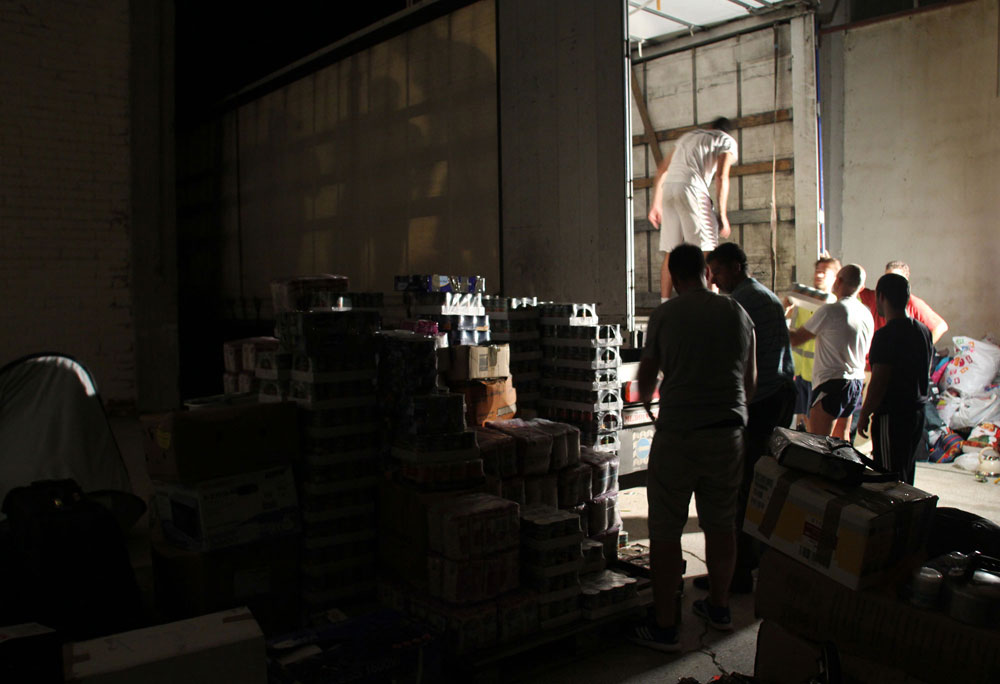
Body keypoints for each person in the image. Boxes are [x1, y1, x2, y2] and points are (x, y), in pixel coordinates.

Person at [630, 244, 756, 652]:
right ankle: (719, 607)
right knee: (721, 524)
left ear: (674, 274)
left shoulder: (666, 314)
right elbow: (750, 383)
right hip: (727, 435)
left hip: (679, 434)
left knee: (666, 529)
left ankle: (666, 626)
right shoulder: (738, 312)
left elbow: (645, 379)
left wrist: (650, 406)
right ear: (706, 271)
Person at [705, 242, 795, 594]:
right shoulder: (764, 295)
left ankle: (738, 572)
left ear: (736, 267)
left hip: (762, 401)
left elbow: (733, 358)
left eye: (718, 272)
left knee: (742, 485)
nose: (714, 280)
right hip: (778, 394)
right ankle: (755, 559)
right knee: (761, 481)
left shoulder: (742, 302)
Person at [647, 118, 738, 300]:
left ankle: (665, 304)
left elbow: (662, 170)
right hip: (693, 190)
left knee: (671, 252)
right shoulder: (726, 140)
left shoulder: (688, 137)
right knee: (708, 251)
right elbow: (721, 176)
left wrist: (655, 203)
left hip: (669, 190)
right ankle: (711, 305)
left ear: (710, 128)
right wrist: (722, 215)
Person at [857, 274, 933, 485]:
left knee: (889, 477)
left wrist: (864, 414)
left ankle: (896, 508)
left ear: (881, 297)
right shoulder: (923, 331)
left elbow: (879, 382)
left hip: (893, 416)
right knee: (905, 473)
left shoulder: (886, 335)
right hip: (917, 413)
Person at [788, 264, 873, 439]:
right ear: (861, 287)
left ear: (838, 281)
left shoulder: (831, 311)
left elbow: (795, 339)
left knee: (818, 442)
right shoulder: (865, 313)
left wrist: (781, 312)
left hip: (832, 383)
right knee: (841, 439)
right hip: (855, 383)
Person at [786, 256, 840, 430]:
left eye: (825, 272)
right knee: (802, 422)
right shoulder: (803, 300)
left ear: (836, 277)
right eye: (818, 271)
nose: (819, 275)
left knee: (816, 427)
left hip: (820, 375)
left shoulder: (834, 306)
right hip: (801, 372)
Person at [859, 261, 948, 343]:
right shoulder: (876, 297)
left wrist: (924, 347)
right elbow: (853, 286)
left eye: (896, 280)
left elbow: (940, 326)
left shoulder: (913, 303)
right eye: (888, 279)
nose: (891, 284)